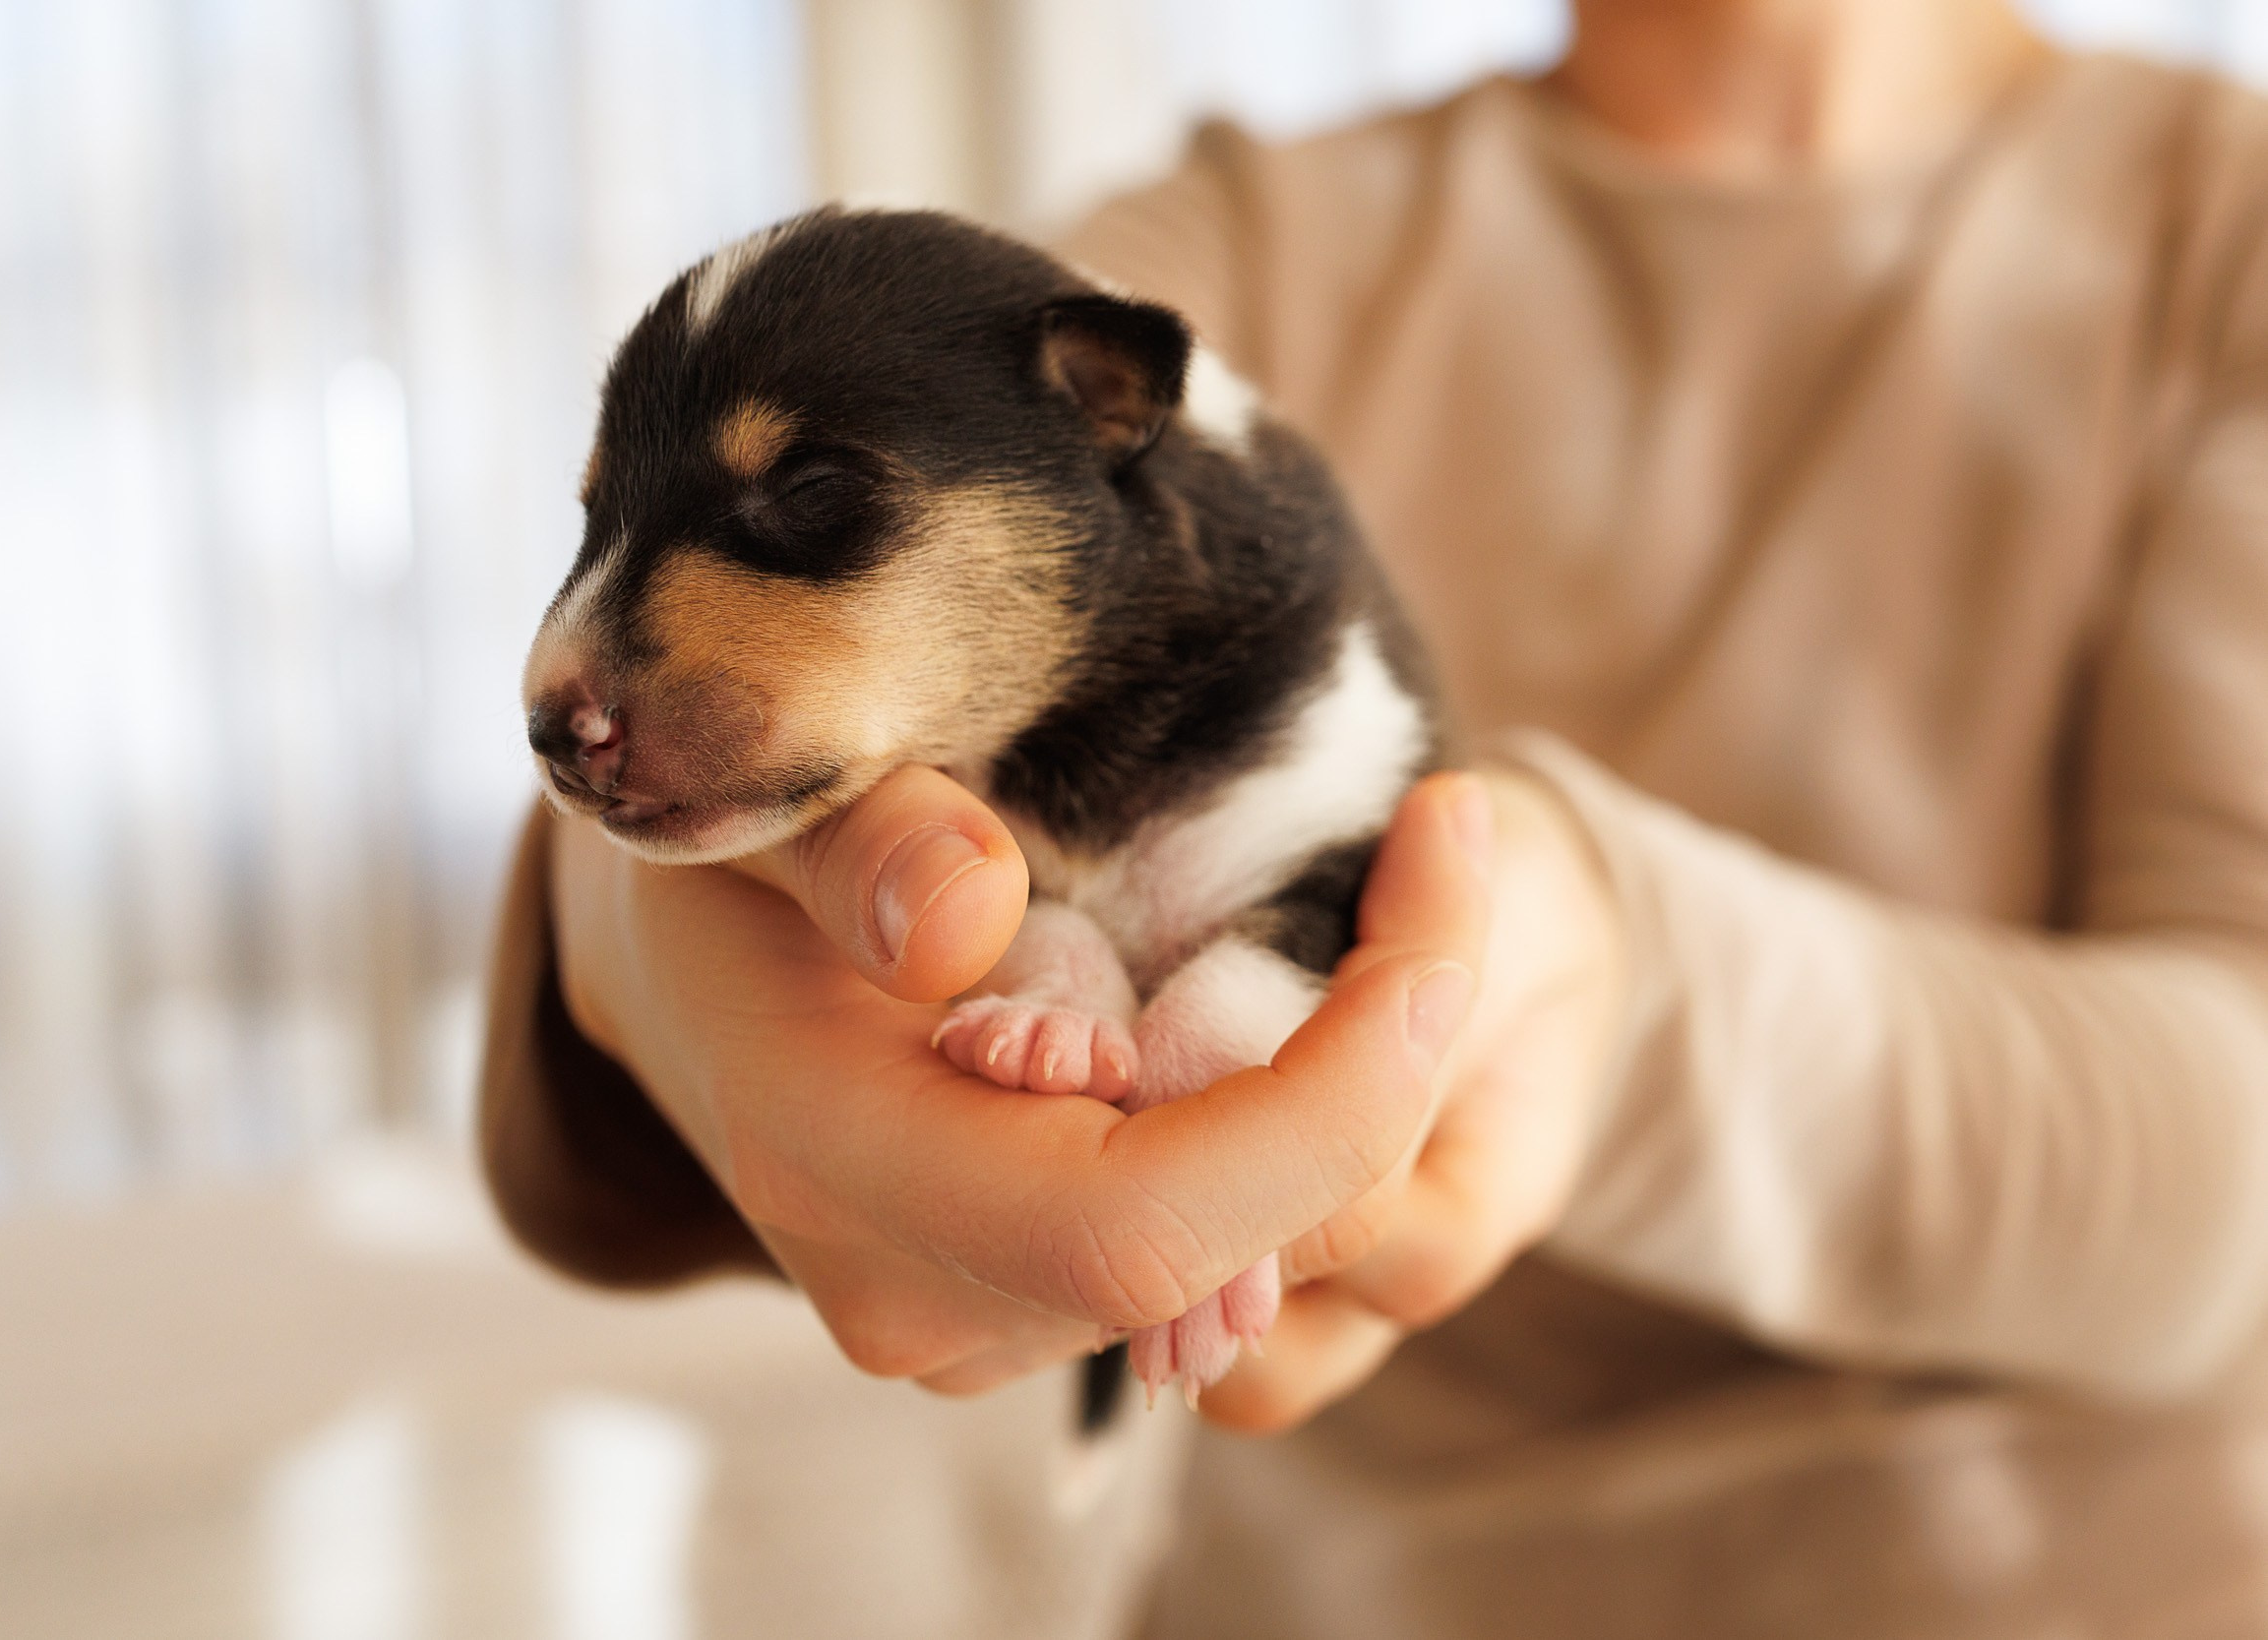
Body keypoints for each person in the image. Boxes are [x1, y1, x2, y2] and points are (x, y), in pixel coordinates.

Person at [479, 0, 2268, 1630]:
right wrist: (632, 924)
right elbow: (826, 515)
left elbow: (2231, 1170)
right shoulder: (1245, 238)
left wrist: (1581, 983)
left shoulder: (2221, 235)